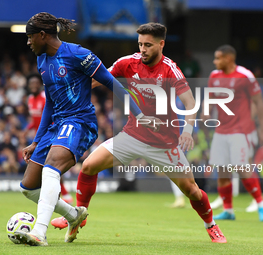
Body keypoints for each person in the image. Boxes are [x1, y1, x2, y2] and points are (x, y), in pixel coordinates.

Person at [52, 22, 227, 243]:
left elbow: (190, 102)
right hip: (132, 135)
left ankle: (211, 226)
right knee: (88, 166)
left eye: (148, 45)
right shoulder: (128, 63)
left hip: (164, 144)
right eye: (140, 44)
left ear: (161, 44)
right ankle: (79, 216)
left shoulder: (170, 69)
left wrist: (188, 131)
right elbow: (99, 79)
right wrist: (69, 88)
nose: (143, 49)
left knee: (192, 190)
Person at [14, 12, 154, 246]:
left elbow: (112, 82)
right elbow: (50, 101)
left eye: (30, 37)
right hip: (55, 124)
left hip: (79, 121)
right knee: (28, 188)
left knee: (51, 169)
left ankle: (39, 232)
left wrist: (139, 114)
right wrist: (37, 141)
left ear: (42, 35)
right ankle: (73, 215)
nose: (28, 42)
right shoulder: (42, 59)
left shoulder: (78, 54)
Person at [202, 45, 263, 221]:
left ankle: (260, 204)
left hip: (241, 130)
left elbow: (258, 101)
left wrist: (261, 128)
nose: (215, 62)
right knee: (222, 170)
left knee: (242, 168)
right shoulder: (214, 76)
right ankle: (228, 210)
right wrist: (206, 110)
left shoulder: (245, 75)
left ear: (228, 59)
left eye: (218, 58)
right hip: (221, 130)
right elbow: (210, 97)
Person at [26, 73, 74, 204]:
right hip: (39, 137)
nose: (34, 86)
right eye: (31, 84)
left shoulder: (44, 99)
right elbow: (35, 119)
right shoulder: (30, 99)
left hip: (49, 134)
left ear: (40, 85)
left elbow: (50, 116)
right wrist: (27, 129)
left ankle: (62, 194)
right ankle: (58, 194)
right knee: (46, 167)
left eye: (36, 83)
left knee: (50, 166)